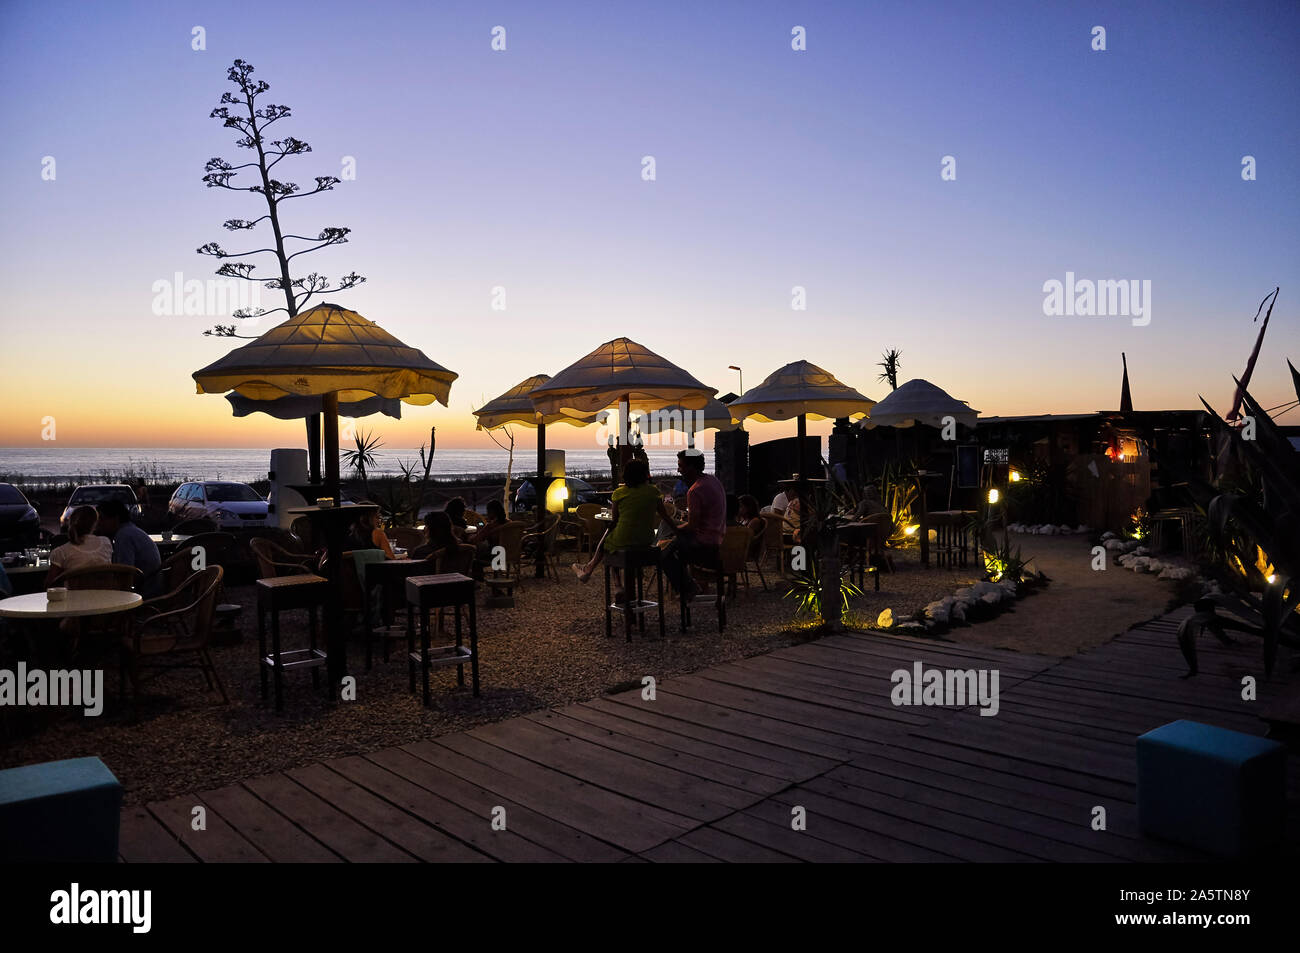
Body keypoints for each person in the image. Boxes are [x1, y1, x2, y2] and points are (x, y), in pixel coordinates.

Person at [572, 459, 672, 593]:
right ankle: (590, 568)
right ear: (644, 474)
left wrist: (608, 530)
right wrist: (678, 529)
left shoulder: (619, 493)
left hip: (624, 539)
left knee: (611, 544)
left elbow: (614, 520)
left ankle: (615, 584)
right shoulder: (653, 492)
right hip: (646, 540)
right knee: (613, 542)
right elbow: (665, 517)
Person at [661, 448, 726, 600]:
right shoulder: (714, 481)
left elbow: (692, 526)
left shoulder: (695, 490)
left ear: (691, 467)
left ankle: (688, 588)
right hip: (718, 538)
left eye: (681, 466)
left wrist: (676, 529)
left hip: (702, 543)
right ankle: (663, 542)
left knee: (664, 555)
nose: (678, 470)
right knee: (667, 528)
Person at [95, 499, 162, 596]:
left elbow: (125, 573)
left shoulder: (123, 537)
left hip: (143, 594)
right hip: (153, 588)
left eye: (102, 519)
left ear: (115, 518)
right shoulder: (131, 531)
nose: (99, 524)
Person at [47, 505, 113, 586]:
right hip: (105, 596)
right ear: (95, 523)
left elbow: (49, 584)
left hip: (74, 597)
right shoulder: (106, 543)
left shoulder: (61, 552)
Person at [736, 494, 767, 561]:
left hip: (748, 551)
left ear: (749, 507)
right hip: (741, 547)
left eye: (741, 506)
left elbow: (745, 538)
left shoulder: (755, 521)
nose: (738, 509)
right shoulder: (743, 519)